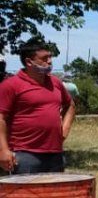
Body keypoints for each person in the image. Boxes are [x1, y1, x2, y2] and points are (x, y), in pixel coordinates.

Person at [0, 40, 75, 174]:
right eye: (44, 58)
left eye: (50, 57)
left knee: (56, 188)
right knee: (25, 188)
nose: (50, 61)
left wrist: (64, 131)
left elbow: (70, 105)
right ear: (29, 62)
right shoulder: (11, 85)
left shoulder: (55, 82)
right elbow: (1, 119)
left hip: (55, 154)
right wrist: (3, 150)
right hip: (24, 154)